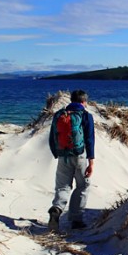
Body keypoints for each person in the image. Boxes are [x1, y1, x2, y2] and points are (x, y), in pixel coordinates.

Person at [48, 90, 95, 231]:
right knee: (82, 186)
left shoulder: (60, 115)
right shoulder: (86, 115)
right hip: (79, 155)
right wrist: (91, 161)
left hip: (63, 155)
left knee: (62, 186)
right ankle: (76, 220)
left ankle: (57, 208)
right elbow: (90, 139)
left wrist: (58, 154)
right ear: (83, 101)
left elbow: (52, 137)